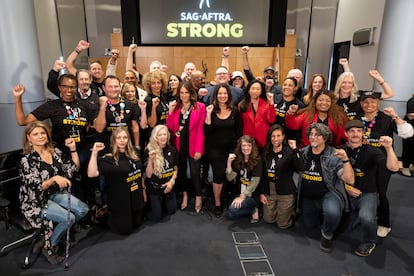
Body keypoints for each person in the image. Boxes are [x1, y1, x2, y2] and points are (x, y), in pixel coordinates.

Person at [19, 121, 89, 264]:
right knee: (69, 218)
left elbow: (73, 169)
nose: (40, 136)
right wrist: (54, 179)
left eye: (43, 133)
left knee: (83, 210)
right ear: (29, 138)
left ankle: (51, 235)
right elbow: (36, 187)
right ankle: (50, 245)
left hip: (55, 194)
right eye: (36, 134)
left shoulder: (55, 152)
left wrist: (73, 150)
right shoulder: (26, 160)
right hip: (35, 200)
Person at [355, 91, 413, 238]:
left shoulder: (386, 118)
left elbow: (407, 133)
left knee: (380, 192)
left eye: (373, 102)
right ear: (361, 103)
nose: (369, 105)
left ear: (378, 103)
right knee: (361, 189)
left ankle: (384, 223)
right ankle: (363, 214)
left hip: (382, 162)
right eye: (366, 102)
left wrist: (396, 117)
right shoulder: (357, 118)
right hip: (362, 161)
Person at [341, 120, 399, 257]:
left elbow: (394, 168)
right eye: (352, 131)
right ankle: (354, 215)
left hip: (368, 193)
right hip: (346, 191)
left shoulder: (372, 151)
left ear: (363, 133)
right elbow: (333, 174)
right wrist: (346, 187)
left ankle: (369, 241)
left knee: (366, 218)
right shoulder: (340, 149)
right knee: (338, 221)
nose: (355, 134)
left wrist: (389, 148)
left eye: (359, 131)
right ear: (345, 133)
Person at [298, 123, 354, 253]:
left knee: (332, 213)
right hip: (309, 196)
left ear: (325, 138)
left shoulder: (334, 155)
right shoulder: (303, 153)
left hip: (329, 193)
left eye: (317, 135)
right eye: (311, 134)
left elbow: (349, 180)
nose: (313, 137)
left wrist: (345, 160)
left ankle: (327, 235)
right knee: (310, 225)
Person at [87, 127, 146, 235]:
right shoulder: (109, 160)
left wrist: (143, 190)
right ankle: (102, 215)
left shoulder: (134, 154)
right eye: (119, 138)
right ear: (114, 140)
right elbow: (91, 174)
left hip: (135, 196)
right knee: (125, 230)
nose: (122, 140)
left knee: (138, 223)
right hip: (120, 201)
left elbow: (140, 174)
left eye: (125, 137)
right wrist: (94, 153)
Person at [167, 81, 206, 213]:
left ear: (191, 93)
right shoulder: (176, 107)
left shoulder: (200, 107)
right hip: (179, 145)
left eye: (186, 92)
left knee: (195, 173)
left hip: (194, 145)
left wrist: (199, 149)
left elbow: (201, 130)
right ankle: (185, 195)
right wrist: (170, 112)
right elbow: (171, 128)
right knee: (181, 172)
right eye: (181, 93)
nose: (184, 95)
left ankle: (198, 196)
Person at [204, 83, 243, 217]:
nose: (222, 96)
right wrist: (208, 114)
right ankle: (217, 203)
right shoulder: (211, 110)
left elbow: (239, 133)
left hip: (231, 150)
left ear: (229, 95)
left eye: (225, 93)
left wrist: (237, 151)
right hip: (214, 151)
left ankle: (226, 196)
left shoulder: (235, 111)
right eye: (220, 93)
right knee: (218, 176)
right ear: (216, 95)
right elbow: (207, 131)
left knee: (229, 174)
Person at [260, 125, 305, 229]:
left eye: (278, 136)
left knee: (283, 224)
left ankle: (290, 211)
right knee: (268, 220)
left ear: (283, 137)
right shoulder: (266, 151)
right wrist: (262, 193)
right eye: (273, 136)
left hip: (285, 191)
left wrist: (295, 149)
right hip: (270, 190)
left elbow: (301, 166)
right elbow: (263, 175)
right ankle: (279, 210)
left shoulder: (289, 152)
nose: (275, 139)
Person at [94, 76, 142, 150]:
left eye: (116, 86)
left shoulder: (130, 104)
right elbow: (99, 129)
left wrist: (137, 146)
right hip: (106, 148)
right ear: (104, 88)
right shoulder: (97, 104)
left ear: (120, 87)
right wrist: (103, 107)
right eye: (110, 87)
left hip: (127, 148)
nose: (113, 89)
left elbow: (135, 128)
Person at [145, 125, 178, 221]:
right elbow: (148, 175)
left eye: (165, 134)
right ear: (155, 137)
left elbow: (175, 169)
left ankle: (162, 203)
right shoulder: (149, 150)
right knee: (156, 217)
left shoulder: (172, 150)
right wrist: (150, 160)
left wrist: (171, 182)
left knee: (172, 210)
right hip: (155, 187)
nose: (163, 137)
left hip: (168, 185)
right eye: (160, 135)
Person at [225, 135, 262, 223]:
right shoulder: (238, 159)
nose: (246, 148)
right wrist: (229, 162)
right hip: (239, 192)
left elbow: (255, 182)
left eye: (249, 145)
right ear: (240, 147)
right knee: (231, 213)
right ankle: (249, 210)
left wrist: (242, 197)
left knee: (233, 210)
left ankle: (254, 208)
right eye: (244, 145)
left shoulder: (257, 160)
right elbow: (230, 178)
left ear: (252, 147)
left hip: (252, 195)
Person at [239, 80, 276, 149]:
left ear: (261, 91)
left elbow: (271, 120)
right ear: (248, 90)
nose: (255, 91)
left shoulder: (266, 103)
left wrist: (271, 104)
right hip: (248, 140)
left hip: (263, 139)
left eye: (258, 89)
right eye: (253, 88)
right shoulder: (242, 105)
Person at [274, 77, 305, 144]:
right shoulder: (274, 98)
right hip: (273, 137)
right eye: (285, 85)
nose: (286, 87)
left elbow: (298, 126)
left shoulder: (299, 105)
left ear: (295, 88)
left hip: (290, 138)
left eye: (290, 85)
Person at [401, 94, 414, 177]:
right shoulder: (412, 101)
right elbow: (410, 116)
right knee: (408, 148)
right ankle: (405, 167)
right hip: (410, 128)